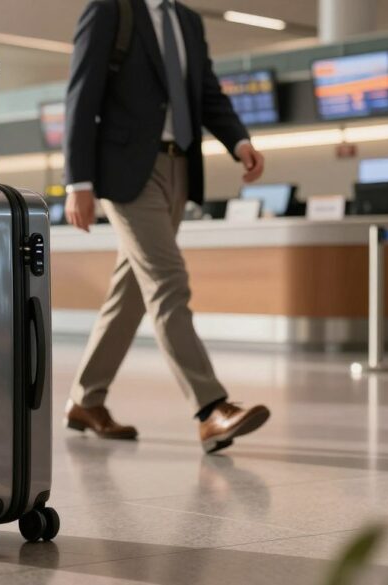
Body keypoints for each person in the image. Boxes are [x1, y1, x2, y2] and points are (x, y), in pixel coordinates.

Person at [62, 0, 271, 453]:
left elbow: (207, 92)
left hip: (179, 169)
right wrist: (77, 181)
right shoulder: (109, 10)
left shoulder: (188, 21)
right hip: (126, 171)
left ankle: (85, 399)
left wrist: (239, 140)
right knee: (168, 281)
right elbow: (82, 93)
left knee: (134, 288)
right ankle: (210, 406)